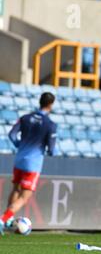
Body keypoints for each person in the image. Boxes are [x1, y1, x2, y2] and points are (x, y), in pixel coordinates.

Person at [0, 92, 57, 235]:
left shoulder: (25, 118)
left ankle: (8, 219)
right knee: (25, 196)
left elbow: (12, 135)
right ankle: (3, 219)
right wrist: (51, 152)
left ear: (40, 102)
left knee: (15, 189)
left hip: (19, 159)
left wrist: (20, 145)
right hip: (33, 164)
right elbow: (51, 149)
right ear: (51, 104)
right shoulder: (50, 124)